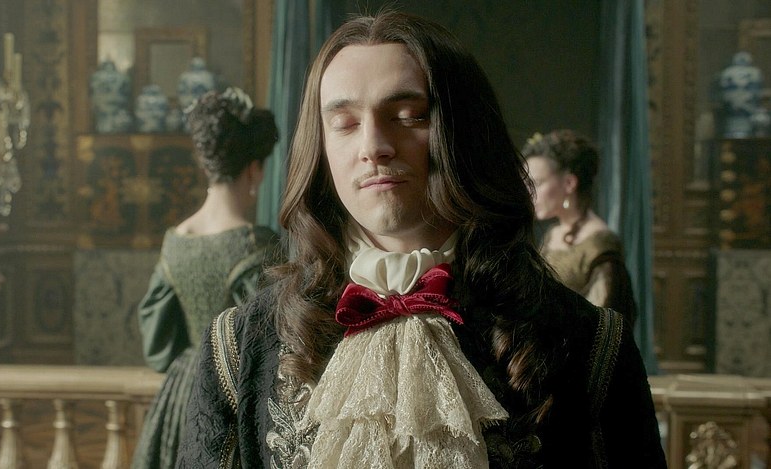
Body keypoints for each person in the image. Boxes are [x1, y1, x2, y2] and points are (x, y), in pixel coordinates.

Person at [177, 11, 666, 469]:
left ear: (464, 134)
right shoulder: (240, 346)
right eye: (345, 123)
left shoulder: (589, 344)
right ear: (320, 149)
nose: (373, 146)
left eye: (409, 115)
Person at [132, 87, 283, 469]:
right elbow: (273, 349)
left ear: (208, 164)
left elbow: (157, 346)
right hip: (233, 397)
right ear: (254, 170)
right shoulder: (256, 244)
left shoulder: (176, 241)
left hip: (181, 394)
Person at [522, 130, 638, 327]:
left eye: (537, 183)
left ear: (569, 183)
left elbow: (606, 323)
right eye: (526, 183)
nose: (529, 191)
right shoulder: (553, 234)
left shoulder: (600, 244)